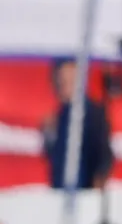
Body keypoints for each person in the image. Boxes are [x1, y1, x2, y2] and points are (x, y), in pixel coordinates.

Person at [42, 57, 114, 190]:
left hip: (86, 191)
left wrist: (98, 181)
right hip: (59, 190)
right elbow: (51, 156)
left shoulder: (94, 113)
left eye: (69, 81)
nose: (63, 85)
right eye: (61, 81)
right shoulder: (56, 118)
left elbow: (104, 153)